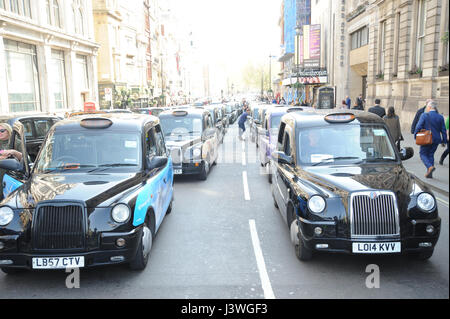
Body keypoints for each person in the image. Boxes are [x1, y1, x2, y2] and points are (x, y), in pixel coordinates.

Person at [414, 101, 447, 178]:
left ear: (429, 107)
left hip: (426, 138)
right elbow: (443, 130)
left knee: (423, 154)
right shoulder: (440, 117)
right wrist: (444, 140)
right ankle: (430, 174)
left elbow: (418, 126)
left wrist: (416, 135)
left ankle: (430, 167)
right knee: (431, 154)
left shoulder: (424, 115)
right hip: (436, 139)